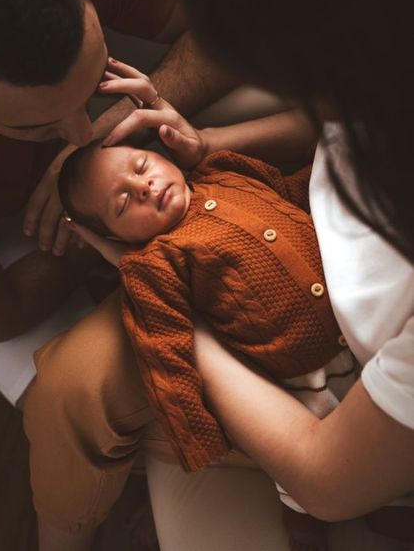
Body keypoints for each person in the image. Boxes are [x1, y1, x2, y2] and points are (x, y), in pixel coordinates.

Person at [121, 0, 413, 548]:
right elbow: (343, 120)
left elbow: (328, 481)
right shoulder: (380, 65)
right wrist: (214, 144)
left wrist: (187, 329)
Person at [0, 0, 240, 550]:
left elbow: (232, 11)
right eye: (37, 124)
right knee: (73, 402)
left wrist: (122, 127)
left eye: (94, 75)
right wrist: (84, 230)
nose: (82, 135)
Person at [58, 101, 358, 549]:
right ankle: (304, 524)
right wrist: (197, 433)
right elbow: (165, 348)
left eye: (141, 167)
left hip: (354, 320)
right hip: (298, 376)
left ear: (161, 155)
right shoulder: (154, 263)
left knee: (386, 431)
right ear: (117, 237)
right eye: (123, 202)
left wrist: (335, 168)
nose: (144, 187)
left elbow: (289, 192)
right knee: (320, 471)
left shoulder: (221, 170)